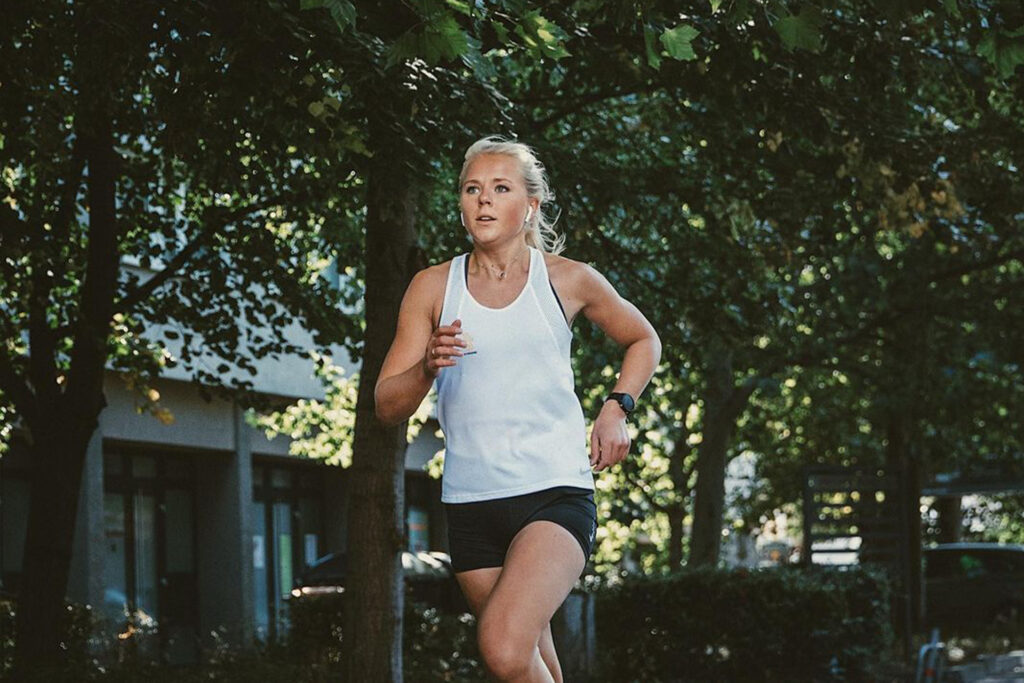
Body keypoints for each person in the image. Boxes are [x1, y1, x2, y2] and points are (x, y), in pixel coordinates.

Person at [375, 136, 661, 682]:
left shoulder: (566, 279)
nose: (483, 199)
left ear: (530, 205)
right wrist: (426, 366)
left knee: (503, 648)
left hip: (553, 494)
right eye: (472, 189)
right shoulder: (432, 287)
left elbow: (643, 338)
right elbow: (387, 407)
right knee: (530, 665)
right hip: (471, 506)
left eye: (500, 188)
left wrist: (616, 408)